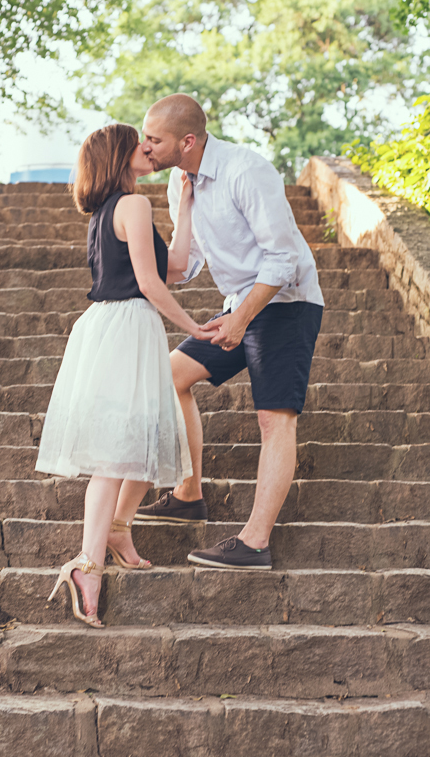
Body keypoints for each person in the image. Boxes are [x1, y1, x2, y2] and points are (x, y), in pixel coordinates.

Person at [134, 94, 324, 570]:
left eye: (154, 139)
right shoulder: (182, 181)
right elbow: (189, 261)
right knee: (169, 377)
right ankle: (188, 495)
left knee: (273, 417)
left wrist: (242, 319)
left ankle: (255, 542)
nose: (146, 147)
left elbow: (283, 259)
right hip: (238, 304)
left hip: (285, 303)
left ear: (188, 140)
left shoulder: (246, 170)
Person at [36, 122, 213, 627]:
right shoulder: (131, 205)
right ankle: (87, 564)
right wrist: (194, 328)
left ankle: (114, 532)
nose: (148, 150)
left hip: (116, 327)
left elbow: (174, 266)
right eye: (139, 143)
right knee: (118, 452)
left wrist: (184, 200)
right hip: (126, 324)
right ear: (120, 154)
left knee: (142, 438)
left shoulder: (111, 211)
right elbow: (152, 286)